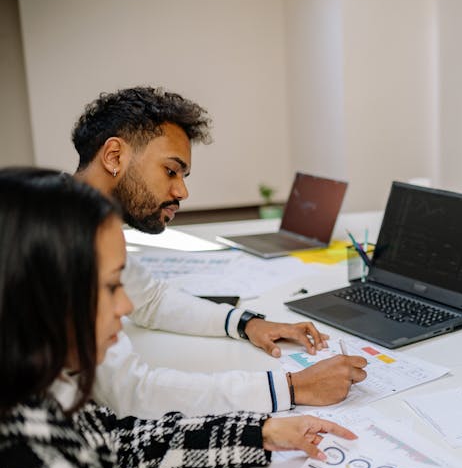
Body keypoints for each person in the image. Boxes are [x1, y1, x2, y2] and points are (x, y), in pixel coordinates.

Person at [0, 168, 414, 468]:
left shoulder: (38, 390)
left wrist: (259, 432)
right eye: (110, 287)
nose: (126, 306)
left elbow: (116, 445)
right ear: (37, 296)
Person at [71, 86, 367, 418]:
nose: (182, 190)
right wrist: (293, 387)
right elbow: (133, 394)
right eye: (171, 170)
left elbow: (150, 299)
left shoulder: (84, 219)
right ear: (114, 156)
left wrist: (245, 323)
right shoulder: (64, 241)